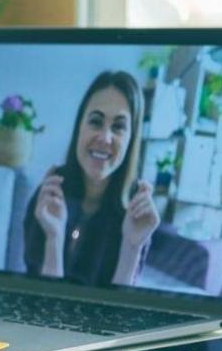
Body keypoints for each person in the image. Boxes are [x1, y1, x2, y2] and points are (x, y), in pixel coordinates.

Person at [24, 71, 160, 288]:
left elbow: (118, 315)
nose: (105, 138)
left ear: (131, 140)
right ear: (80, 126)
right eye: (96, 122)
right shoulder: (49, 195)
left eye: (118, 127)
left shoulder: (137, 210)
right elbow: (41, 306)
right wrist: (54, 239)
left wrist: (132, 247)